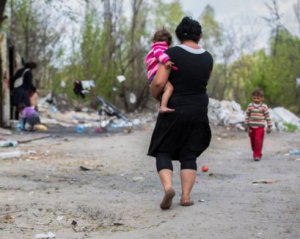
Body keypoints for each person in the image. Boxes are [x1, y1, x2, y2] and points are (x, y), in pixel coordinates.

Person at [148, 17, 213, 210]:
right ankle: (185, 197)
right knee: (189, 153)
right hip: (199, 108)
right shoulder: (208, 57)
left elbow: (159, 83)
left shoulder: (171, 53)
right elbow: (204, 81)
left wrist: (155, 94)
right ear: (199, 36)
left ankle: (168, 188)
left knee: (163, 150)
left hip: (174, 107)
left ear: (178, 35)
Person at [145, 29, 178, 113]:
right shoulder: (159, 47)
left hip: (153, 75)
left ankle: (163, 105)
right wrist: (166, 60)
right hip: (155, 74)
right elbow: (159, 54)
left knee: (163, 93)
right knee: (170, 88)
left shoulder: (155, 47)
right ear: (169, 42)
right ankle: (163, 107)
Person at [244, 89, 272, 161]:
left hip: (260, 127)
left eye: (258, 98)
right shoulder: (250, 106)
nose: (256, 100)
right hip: (251, 127)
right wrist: (246, 124)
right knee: (253, 141)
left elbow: (267, 117)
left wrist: (269, 126)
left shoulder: (264, 107)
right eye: (254, 98)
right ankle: (257, 152)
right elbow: (247, 115)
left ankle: (257, 155)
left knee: (258, 140)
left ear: (262, 98)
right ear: (252, 98)